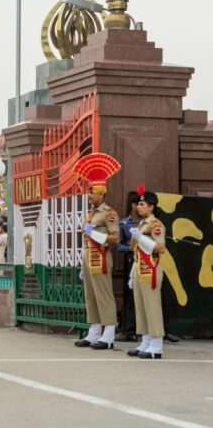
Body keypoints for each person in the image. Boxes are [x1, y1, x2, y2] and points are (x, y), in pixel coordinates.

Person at [73, 153, 121, 350]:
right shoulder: (91, 213)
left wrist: (94, 234)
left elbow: (115, 238)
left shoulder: (109, 213)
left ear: (102, 194)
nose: (90, 195)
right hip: (88, 256)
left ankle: (108, 334)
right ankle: (93, 332)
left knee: (103, 295)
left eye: (92, 192)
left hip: (100, 257)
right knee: (90, 295)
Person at [127, 186, 167, 359]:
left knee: (152, 306)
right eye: (138, 204)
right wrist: (131, 274)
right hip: (139, 268)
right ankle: (145, 340)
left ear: (151, 207)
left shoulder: (156, 225)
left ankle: (156, 344)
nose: (139, 207)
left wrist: (140, 237)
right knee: (141, 307)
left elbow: (160, 247)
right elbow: (136, 251)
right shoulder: (142, 224)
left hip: (151, 268)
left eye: (142, 204)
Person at [116, 191, 139, 342]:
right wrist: (131, 248)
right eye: (139, 204)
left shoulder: (151, 223)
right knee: (130, 298)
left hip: (149, 262)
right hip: (131, 261)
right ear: (133, 205)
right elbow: (119, 246)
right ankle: (129, 330)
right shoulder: (125, 223)